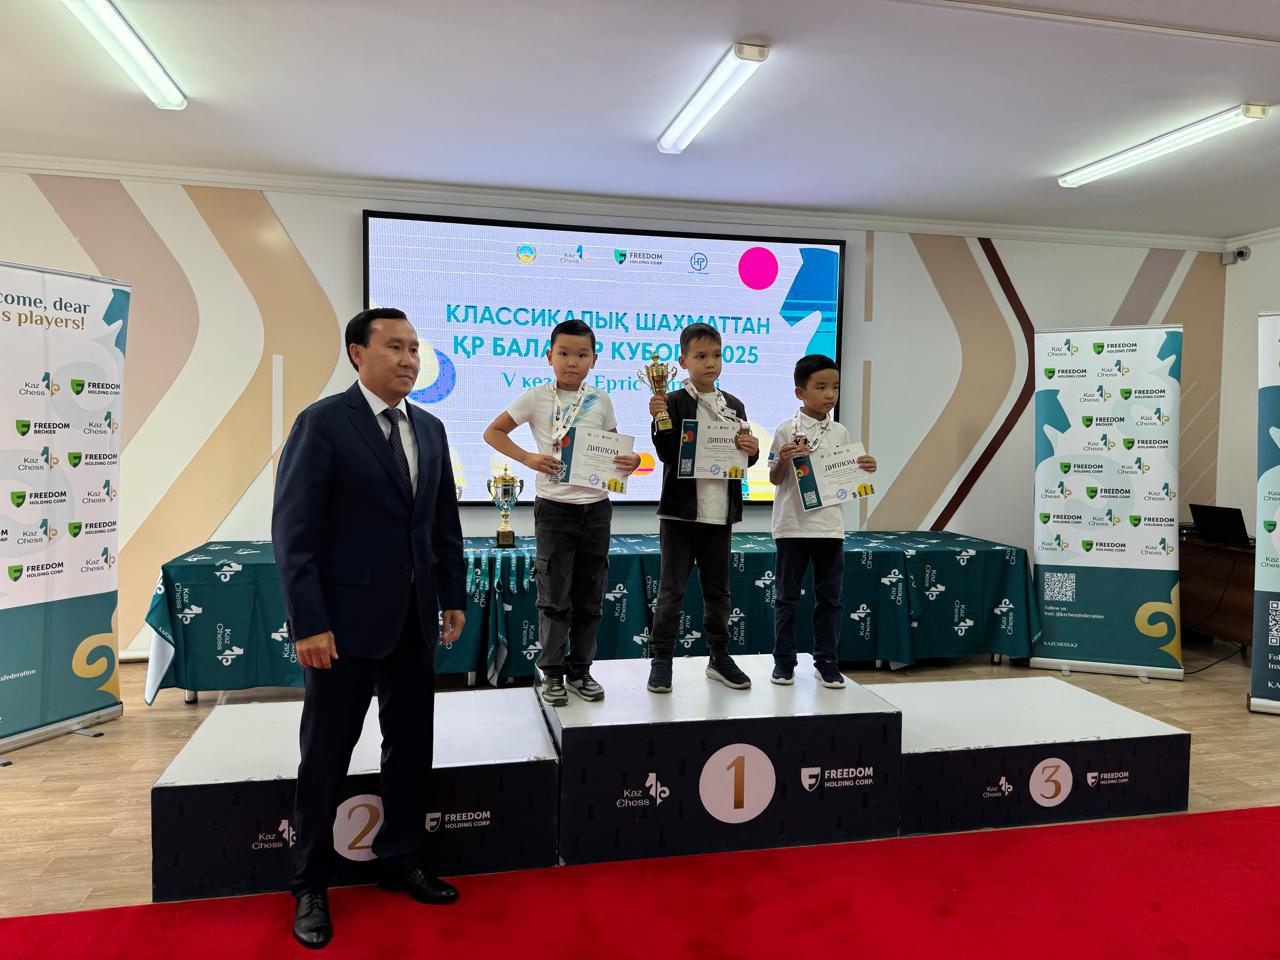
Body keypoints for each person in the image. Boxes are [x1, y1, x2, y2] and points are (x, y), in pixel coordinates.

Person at [272, 307, 466, 950]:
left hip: (413, 620)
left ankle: (400, 858)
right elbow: (294, 533)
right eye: (394, 347)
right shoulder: (324, 423)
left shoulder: (430, 428)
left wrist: (452, 596)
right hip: (342, 627)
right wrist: (309, 623)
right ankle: (309, 883)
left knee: (410, 747)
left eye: (414, 348)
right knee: (326, 755)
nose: (409, 359)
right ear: (358, 352)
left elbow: (442, 524)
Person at [482, 318, 640, 705]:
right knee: (553, 597)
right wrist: (528, 458)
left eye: (582, 355)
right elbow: (493, 432)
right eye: (564, 353)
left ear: (594, 360)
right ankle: (552, 672)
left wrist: (631, 460)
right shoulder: (536, 397)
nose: (572, 361)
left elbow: (614, 451)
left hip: (596, 510)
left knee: (590, 596)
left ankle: (581, 670)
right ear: (549, 355)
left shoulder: (601, 399)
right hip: (554, 510)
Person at [646, 322, 760, 694]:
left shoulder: (734, 405)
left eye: (716, 355)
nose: (710, 363)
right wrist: (659, 419)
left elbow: (744, 459)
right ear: (683, 362)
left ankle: (719, 657)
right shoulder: (672, 401)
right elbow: (667, 453)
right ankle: (662, 659)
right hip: (680, 513)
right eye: (700, 356)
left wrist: (752, 449)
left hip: (719, 513)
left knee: (718, 592)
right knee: (671, 591)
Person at [768, 354, 877, 688]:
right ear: (800, 392)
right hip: (792, 526)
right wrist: (783, 460)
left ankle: (827, 661)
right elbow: (774, 478)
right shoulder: (786, 430)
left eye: (835, 387)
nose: (830, 394)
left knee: (830, 598)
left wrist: (864, 468)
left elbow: (847, 477)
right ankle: (784, 662)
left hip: (830, 527)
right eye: (821, 387)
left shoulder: (841, 432)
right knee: (787, 597)